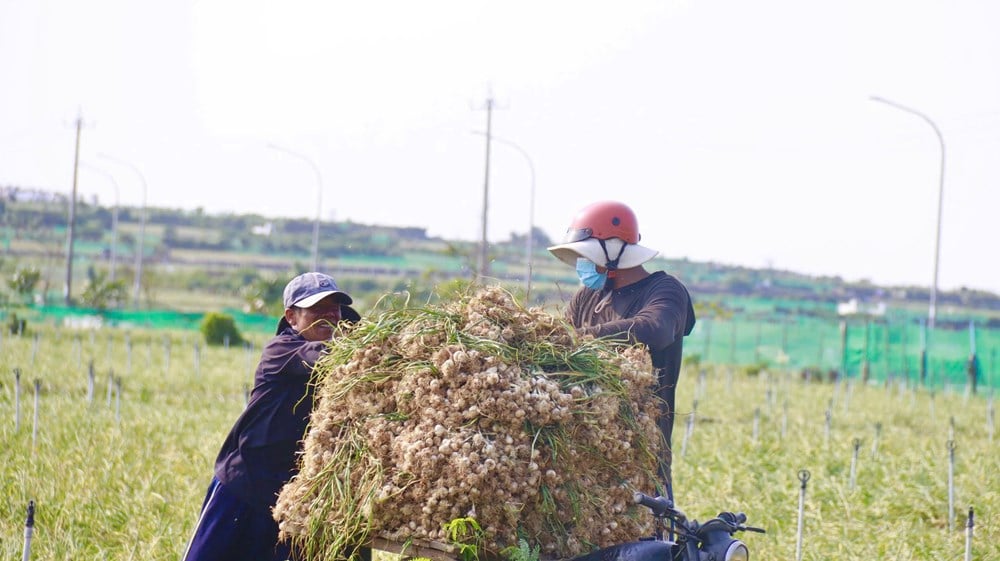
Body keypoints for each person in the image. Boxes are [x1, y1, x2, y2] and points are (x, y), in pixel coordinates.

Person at [183, 272, 363, 561]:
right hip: (243, 484)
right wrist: (366, 347)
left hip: (290, 494)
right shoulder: (282, 350)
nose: (329, 316)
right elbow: (321, 356)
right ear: (291, 317)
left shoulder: (345, 366)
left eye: (334, 308)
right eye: (317, 309)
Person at [548, 200, 695, 489]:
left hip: (639, 454)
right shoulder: (587, 297)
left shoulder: (664, 290)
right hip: (583, 452)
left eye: (587, 256)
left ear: (614, 250)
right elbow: (559, 345)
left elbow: (656, 328)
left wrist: (580, 338)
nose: (582, 265)